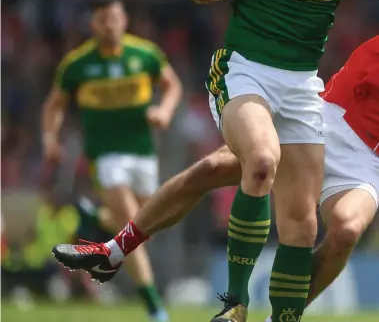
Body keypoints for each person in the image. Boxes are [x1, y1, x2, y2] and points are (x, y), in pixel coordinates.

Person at [52, 0, 379, 321]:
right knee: (262, 160)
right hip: (244, 70)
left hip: (303, 87)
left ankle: (272, 315)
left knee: (300, 228)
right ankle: (235, 303)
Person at [53, 35, 379, 321]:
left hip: (367, 162)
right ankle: (113, 252)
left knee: (346, 230)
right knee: (210, 170)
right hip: (328, 123)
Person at [44, 0, 182, 321]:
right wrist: (51, 138)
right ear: (93, 24)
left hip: (143, 153)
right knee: (132, 226)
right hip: (105, 155)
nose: (112, 25)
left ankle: (96, 218)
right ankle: (154, 306)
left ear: (125, 20)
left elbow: (172, 84)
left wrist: (164, 110)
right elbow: (54, 105)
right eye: (104, 19)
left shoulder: (145, 54)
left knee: (148, 223)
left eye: (116, 18)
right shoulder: (77, 64)